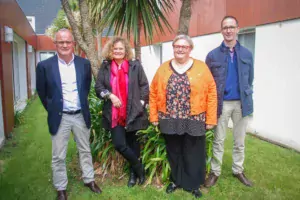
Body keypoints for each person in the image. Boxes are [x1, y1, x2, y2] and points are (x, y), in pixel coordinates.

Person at [36, 29, 102, 200]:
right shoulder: (45, 66)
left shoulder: (84, 64)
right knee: (58, 155)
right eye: (61, 42)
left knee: (85, 150)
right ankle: (61, 188)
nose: (64, 45)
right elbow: (43, 93)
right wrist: (53, 108)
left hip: (80, 115)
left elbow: (85, 88)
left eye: (68, 42)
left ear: (73, 44)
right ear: (55, 44)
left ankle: (89, 179)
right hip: (60, 116)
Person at [149, 35, 217, 198]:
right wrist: (153, 116)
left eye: (184, 47)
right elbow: (153, 92)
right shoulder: (163, 68)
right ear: (173, 48)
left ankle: (193, 185)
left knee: (193, 151)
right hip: (169, 117)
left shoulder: (201, 68)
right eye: (177, 46)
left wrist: (211, 118)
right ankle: (176, 181)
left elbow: (212, 92)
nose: (180, 49)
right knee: (174, 151)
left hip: (194, 117)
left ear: (190, 49)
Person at [204, 16, 254, 188]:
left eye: (232, 27)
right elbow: (208, 82)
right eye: (225, 27)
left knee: (240, 140)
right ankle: (215, 172)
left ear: (237, 29)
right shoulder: (212, 55)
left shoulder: (247, 54)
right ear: (221, 31)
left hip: (241, 103)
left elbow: (250, 78)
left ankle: (238, 169)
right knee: (219, 140)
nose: (228, 30)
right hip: (221, 104)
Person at [95, 36, 149, 187]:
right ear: (111, 50)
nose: (118, 51)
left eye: (121, 48)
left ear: (126, 50)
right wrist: (110, 95)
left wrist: (141, 103)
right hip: (114, 114)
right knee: (120, 144)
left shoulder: (134, 66)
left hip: (133, 111)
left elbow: (144, 86)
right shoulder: (105, 67)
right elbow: (98, 88)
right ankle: (139, 169)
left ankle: (133, 176)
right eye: (115, 48)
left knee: (134, 144)